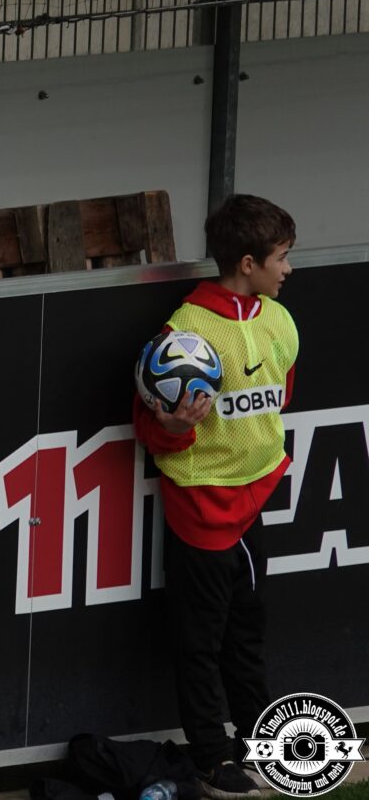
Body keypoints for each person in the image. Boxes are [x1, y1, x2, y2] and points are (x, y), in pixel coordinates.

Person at [133, 194, 298, 800]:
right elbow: (153, 432)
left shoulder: (279, 322)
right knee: (199, 642)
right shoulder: (183, 334)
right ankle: (209, 756)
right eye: (282, 259)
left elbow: (281, 399)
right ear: (248, 262)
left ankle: (261, 744)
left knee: (247, 632)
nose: (288, 270)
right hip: (201, 510)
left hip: (254, 504)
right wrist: (174, 427)